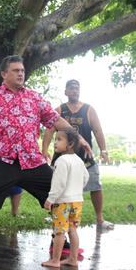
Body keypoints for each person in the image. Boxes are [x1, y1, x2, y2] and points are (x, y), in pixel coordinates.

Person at [0, 55, 90, 250]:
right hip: (2, 160)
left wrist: (79, 138)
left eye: (22, 71)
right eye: (16, 70)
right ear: (4, 74)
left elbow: (55, 119)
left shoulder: (34, 97)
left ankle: (59, 238)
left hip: (31, 159)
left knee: (57, 193)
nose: (20, 74)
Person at [42, 79, 113, 230]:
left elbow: (98, 130)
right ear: (66, 92)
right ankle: (57, 216)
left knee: (95, 186)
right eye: (71, 88)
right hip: (62, 157)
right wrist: (44, 150)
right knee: (57, 186)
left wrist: (104, 150)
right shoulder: (59, 110)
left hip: (84, 156)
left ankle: (100, 219)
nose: (75, 91)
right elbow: (49, 130)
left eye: (77, 88)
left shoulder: (88, 109)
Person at [42, 129, 89, 268]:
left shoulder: (61, 160)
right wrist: (77, 189)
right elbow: (86, 177)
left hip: (62, 202)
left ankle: (55, 260)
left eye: (59, 139)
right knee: (72, 230)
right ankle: (73, 259)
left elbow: (59, 183)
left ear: (71, 144)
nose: (55, 142)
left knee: (59, 231)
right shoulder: (79, 160)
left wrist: (50, 199)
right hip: (77, 201)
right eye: (55, 139)